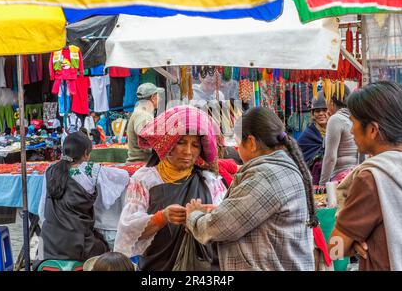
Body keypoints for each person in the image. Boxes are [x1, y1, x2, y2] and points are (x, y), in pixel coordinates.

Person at [185, 107, 316, 271]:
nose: (237, 148)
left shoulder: (266, 175)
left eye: (239, 142)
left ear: (252, 143)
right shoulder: (282, 168)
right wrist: (221, 210)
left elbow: (218, 227)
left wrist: (193, 216)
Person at [114, 105, 227, 271]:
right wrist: (161, 217)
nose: (188, 151)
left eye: (195, 145)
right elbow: (128, 229)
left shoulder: (209, 180)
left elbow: (228, 221)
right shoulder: (144, 179)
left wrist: (205, 216)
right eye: (181, 143)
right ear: (167, 145)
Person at [328, 81, 402, 271]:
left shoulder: (372, 178)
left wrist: (354, 245)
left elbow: (335, 249)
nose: (351, 130)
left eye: (354, 123)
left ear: (373, 130)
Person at [37, 132, 130, 263]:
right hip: (77, 246)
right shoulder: (90, 170)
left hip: (47, 244)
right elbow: (123, 176)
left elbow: (42, 210)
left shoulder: (50, 170)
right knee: (106, 249)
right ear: (86, 153)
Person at [319, 85, 358, 185]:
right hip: (354, 174)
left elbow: (330, 158)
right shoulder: (353, 117)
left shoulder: (336, 119)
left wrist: (322, 184)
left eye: (326, 100)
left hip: (341, 177)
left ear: (331, 102)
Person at [126, 83, 163, 163]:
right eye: (158, 96)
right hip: (141, 163)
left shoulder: (141, 112)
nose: (159, 98)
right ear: (153, 97)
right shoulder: (143, 115)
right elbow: (147, 145)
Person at [298, 92, 329, 185]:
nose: (321, 114)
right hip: (314, 180)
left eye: (324, 110)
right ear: (312, 114)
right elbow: (300, 159)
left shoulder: (335, 131)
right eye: (317, 111)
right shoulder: (307, 135)